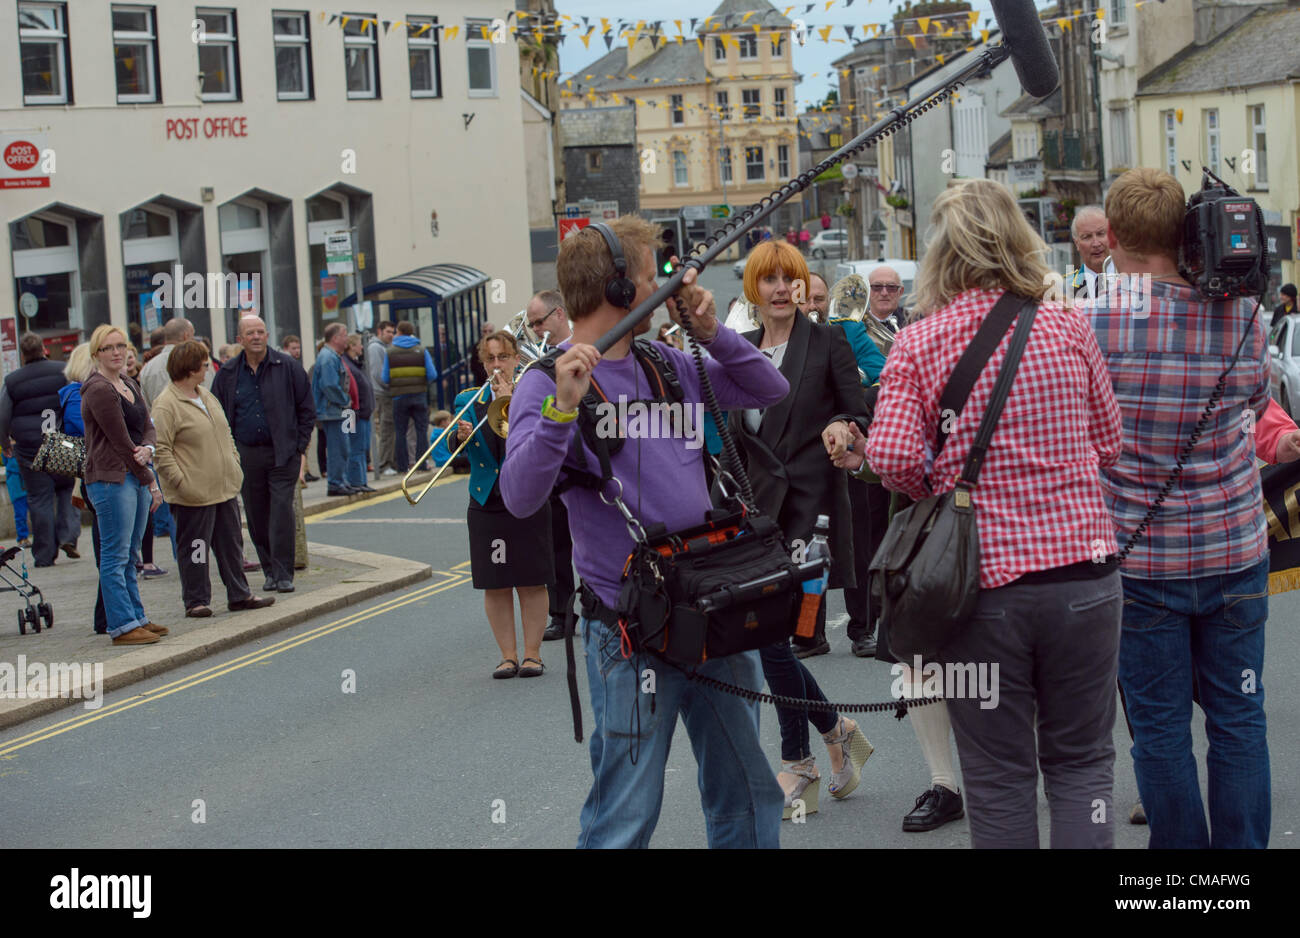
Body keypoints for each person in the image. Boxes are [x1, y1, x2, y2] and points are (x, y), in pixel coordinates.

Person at [841, 177, 1125, 849]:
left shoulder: (917, 343)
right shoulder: (1068, 326)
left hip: (980, 590)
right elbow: (1109, 444)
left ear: (945, 252)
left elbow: (896, 462)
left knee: (997, 776)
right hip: (1085, 578)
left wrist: (950, 475)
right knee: (1084, 765)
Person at [500, 215, 790, 848]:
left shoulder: (669, 360)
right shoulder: (544, 382)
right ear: (623, 289)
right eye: (650, 272)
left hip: (712, 606)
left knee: (746, 789)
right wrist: (561, 411)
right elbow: (520, 499)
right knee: (626, 814)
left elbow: (771, 386)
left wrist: (712, 332)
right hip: (628, 632)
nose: (663, 281)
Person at [1088, 168, 1272, 849]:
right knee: (1239, 718)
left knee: (1160, 730)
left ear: (1110, 236)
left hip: (1139, 564)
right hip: (1234, 551)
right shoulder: (1242, 317)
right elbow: (1258, 404)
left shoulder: (1088, 323)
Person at [728, 240, 875, 814]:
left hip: (810, 510)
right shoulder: (738, 350)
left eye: (790, 278)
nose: (782, 288)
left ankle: (799, 761)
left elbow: (856, 405)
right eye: (769, 280)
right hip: (755, 517)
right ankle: (835, 732)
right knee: (769, 637)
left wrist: (843, 424)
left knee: (777, 637)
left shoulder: (829, 339)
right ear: (754, 290)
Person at [150, 340, 276, 618]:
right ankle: (196, 600)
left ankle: (239, 594)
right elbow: (160, 449)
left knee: (231, 544)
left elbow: (226, 432)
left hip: (224, 486)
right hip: (193, 492)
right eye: (204, 363)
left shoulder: (206, 396)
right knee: (195, 549)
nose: (208, 367)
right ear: (190, 367)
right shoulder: (166, 404)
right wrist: (181, 482)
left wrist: (234, 462)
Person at [454, 331, 554, 678]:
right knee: (495, 581)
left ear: (516, 359)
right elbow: (455, 456)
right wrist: (461, 438)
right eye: (490, 359)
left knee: (530, 578)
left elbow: (536, 444)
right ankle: (507, 655)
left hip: (525, 497)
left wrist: (512, 401)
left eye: (503, 357)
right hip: (487, 500)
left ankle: (532, 654)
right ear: (483, 364)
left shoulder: (534, 393)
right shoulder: (467, 400)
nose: (497, 365)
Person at [212, 316, 315, 593]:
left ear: (268, 335)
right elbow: (217, 415)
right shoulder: (228, 372)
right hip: (246, 455)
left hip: (283, 454)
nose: (256, 337)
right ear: (240, 339)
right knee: (257, 515)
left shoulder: (288, 367)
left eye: (260, 332)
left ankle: (284, 574)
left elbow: (307, 409)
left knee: (281, 512)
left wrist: (298, 446)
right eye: (250, 333)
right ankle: (269, 569)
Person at [81, 325, 167, 646]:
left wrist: (149, 449)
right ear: (96, 354)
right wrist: (150, 479)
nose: (117, 352)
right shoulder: (99, 388)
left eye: (121, 346)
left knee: (131, 554)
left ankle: (137, 617)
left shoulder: (130, 382)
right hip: (111, 478)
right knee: (115, 556)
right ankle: (121, 626)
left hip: (136, 472)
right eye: (108, 348)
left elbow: (148, 425)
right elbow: (119, 442)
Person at [0, 333, 80, 566]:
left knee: (39, 498)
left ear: (23, 355)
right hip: (61, 440)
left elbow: (3, 414)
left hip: (28, 447)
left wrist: (5, 443)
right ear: (44, 348)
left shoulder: (12, 380)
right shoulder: (63, 371)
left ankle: (44, 553)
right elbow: (74, 403)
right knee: (66, 489)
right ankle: (68, 536)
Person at [527, 294, 577, 643]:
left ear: (559, 314)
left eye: (539, 322)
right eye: (531, 326)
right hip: (554, 466)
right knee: (556, 543)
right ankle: (561, 613)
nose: (535, 330)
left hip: (588, 458)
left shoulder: (587, 346)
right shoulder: (537, 363)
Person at [384, 321, 439, 476]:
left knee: (400, 431)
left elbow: (385, 377)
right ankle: (421, 464)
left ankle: (402, 467)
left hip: (399, 397)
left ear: (399, 332)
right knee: (421, 430)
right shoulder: (421, 351)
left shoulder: (390, 352)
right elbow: (432, 374)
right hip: (419, 395)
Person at [311, 323, 356, 496]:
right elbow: (329, 385)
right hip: (333, 411)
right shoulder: (328, 358)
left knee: (344, 447)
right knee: (338, 447)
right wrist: (345, 400)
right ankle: (335, 483)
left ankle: (341, 480)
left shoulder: (333, 356)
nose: (347, 339)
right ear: (335, 338)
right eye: (344, 335)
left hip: (340, 411)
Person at [139, 317, 207, 404]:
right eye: (193, 335)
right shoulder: (195, 363)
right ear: (186, 336)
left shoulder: (147, 369)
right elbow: (206, 396)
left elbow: (145, 404)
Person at [343, 333, 376, 493]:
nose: (362, 347)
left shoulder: (356, 364)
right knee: (354, 447)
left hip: (362, 413)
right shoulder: (346, 363)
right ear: (351, 346)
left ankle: (361, 480)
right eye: (359, 344)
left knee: (362, 447)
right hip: (352, 413)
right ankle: (355, 480)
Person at [367, 321, 396, 478]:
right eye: (388, 332)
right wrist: (389, 387)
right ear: (379, 331)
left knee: (389, 430)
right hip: (382, 394)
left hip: (384, 394)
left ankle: (389, 461)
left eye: (393, 332)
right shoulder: (376, 348)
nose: (391, 335)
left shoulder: (384, 347)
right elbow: (378, 374)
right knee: (386, 430)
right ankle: (384, 464)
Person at [1068, 205, 1117, 301]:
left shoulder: (1132, 277)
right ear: (1077, 243)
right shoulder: (1066, 289)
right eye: (1087, 237)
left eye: (1101, 234)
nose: (1096, 243)